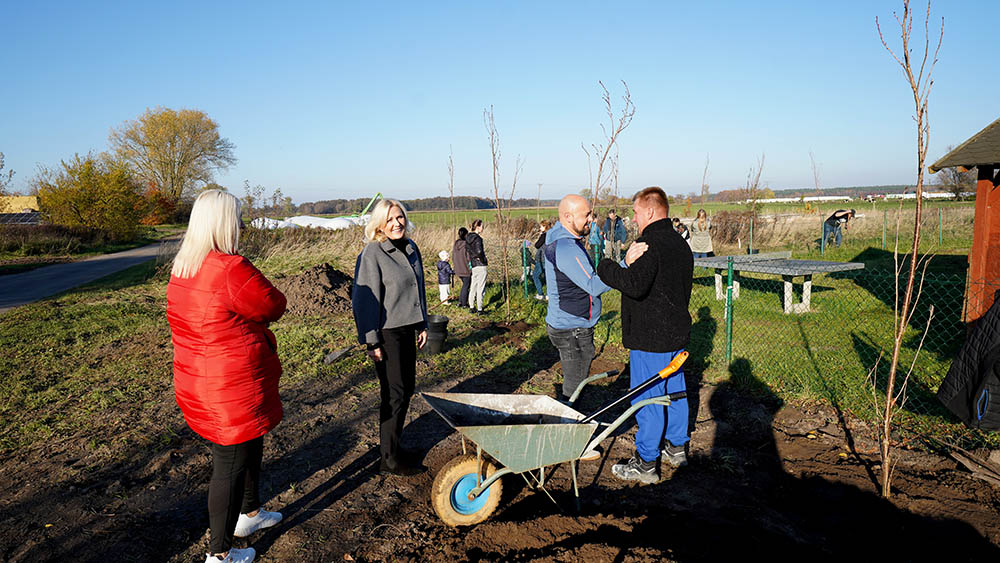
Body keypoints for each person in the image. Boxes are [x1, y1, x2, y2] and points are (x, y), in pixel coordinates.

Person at [166, 190, 286, 563]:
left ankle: (249, 516)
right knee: (229, 466)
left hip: (201, 380)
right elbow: (273, 304)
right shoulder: (231, 268)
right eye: (236, 217)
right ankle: (218, 555)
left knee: (250, 444)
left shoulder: (184, 266)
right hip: (230, 388)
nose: (241, 224)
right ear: (222, 223)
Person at [597, 186, 693, 484]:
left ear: (650, 211)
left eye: (636, 213)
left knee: (647, 397)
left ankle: (646, 462)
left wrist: (606, 266)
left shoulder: (648, 244)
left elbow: (634, 284)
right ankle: (677, 447)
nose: (633, 219)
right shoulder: (680, 243)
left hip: (650, 338)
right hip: (676, 334)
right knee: (675, 391)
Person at [352, 199, 429, 476]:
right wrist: (371, 341)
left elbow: (417, 288)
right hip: (387, 333)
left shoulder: (410, 248)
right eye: (390, 219)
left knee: (406, 390)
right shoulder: (372, 253)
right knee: (394, 394)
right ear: (379, 224)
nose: (397, 223)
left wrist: (423, 323)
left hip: (409, 328)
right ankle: (388, 458)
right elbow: (365, 301)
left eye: (400, 218)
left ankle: (395, 447)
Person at [544, 195, 614, 403]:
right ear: (568, 216)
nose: (591, 219)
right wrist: (624, 268)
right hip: (571, 329)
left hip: (570, 323)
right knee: (574, 388)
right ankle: (567, 426)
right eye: (587, 215)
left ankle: (570, 420)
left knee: (576, 382)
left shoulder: (564, 240)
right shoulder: (566, 247)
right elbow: (593, 285)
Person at [466, 219, 488, 314]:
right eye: (482, 226)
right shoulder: (478, 239)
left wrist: (474, 257)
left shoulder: (468, 238)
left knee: (473, 286)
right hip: (480, 265)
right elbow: (479, 252)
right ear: (478, 227)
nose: (483, 228)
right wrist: (483, 260)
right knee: (481, 287)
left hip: (474, 265)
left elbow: (468, 251)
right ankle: (480, 308)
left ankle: (471, 306)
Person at [451, 227, 472, 308]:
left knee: (464, 285)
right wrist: (471, 268)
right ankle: (464, 303)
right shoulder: (466, 245)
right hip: (465, 269)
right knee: (466, 286)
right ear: (466, 234)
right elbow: (468, 258)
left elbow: (453, 257)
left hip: (458, 269)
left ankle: (460, 301)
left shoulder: (456, 244)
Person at [532, 220, 551, 300]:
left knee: (535, 276)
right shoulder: (551, 235)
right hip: (549, 258)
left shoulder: (544, 235)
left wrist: (540, 235)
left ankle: (540, 294)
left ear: (545, 227)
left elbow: (537, 245)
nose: (540, 228)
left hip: (541, 258)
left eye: (541, 226)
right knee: (548, 277)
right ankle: (548, 294)